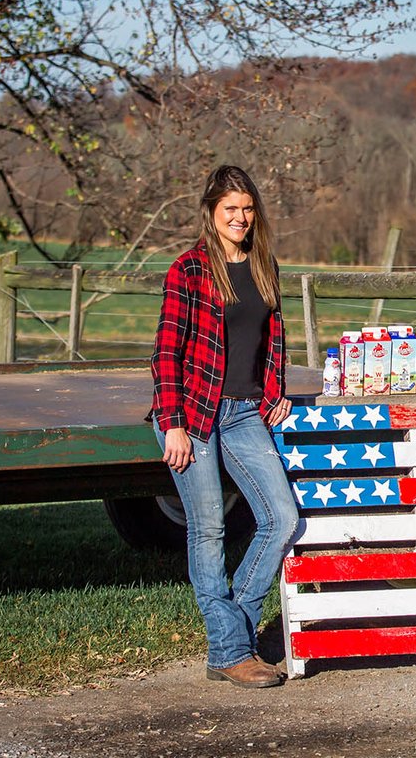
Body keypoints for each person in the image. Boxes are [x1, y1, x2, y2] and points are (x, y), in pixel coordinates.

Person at [150, 165, 298, 688]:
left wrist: (274, 388)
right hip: (192, 414)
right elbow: (165, 354)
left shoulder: (263, 265)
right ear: (212, 213)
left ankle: (231, 623)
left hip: (244, 412)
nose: (240, 218)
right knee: (208, 530)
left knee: (281, 519)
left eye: (247, 208)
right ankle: (233, 651)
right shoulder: (187, 270)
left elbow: (273, 335)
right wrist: (172, 425)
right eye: (229, 209)